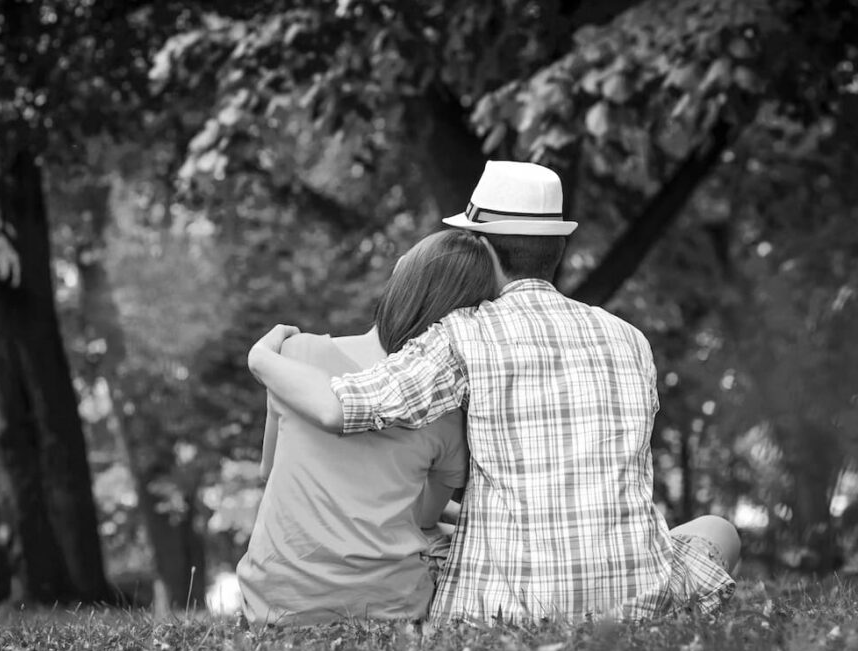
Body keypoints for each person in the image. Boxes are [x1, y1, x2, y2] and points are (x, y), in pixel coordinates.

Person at [247, 161, 739, 622]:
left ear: (481, 249)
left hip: (510, 604)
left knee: (432, 539)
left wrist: (263, 357)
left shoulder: (463, 333)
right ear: (557, 249)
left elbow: (342, 405)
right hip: (635, 594)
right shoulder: (630, 338)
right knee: (718, 530)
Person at [237, 228, 500, 625]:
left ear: (400, 279)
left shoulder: (295, 355)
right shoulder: (447, 413)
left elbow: (268, 471)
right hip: (389, 611)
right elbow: (425, 519)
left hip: (276, 606)